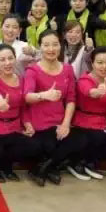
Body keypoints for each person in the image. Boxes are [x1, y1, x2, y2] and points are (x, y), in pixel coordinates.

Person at [23, 30, 86, 186]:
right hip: (39, 123)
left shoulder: (67, 69)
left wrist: (65, 124)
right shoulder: (32, 70)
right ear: (40, 47)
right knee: (50, 144)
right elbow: (27, 97)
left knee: (81, 140)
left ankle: (43, 168)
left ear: (60, 45)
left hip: (59, 121)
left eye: (55, 44)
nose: (51, 49)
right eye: (46, 45)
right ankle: (53, 167)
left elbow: (71, 99)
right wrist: (44, 95)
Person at [68, 47, 106, 181]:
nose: (104, 66)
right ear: (92, 63)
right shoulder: (85, 80)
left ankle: (89, 161)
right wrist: (98, 91)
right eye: (100, 62)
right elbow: (89, 92)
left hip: (104, 123)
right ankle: (80, 163)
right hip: (84, 122)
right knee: (99, 137)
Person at [0, 44, 41, 182]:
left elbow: (23, 107)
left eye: (10, 58)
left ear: (15, 59)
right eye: (2, 60)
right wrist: (1, 102)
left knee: (33, 146)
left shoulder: (21, 80)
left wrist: (27, 124)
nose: (7, 63)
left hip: (14, 127)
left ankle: (7, 168)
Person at [0, 14, 36, 82]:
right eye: (7, 26)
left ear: (19, 30)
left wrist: (33, 53)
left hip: (20, 84)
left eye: (14, 27)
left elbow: (41, 59)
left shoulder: (25, 46)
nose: (10, 30)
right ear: (1, 28)